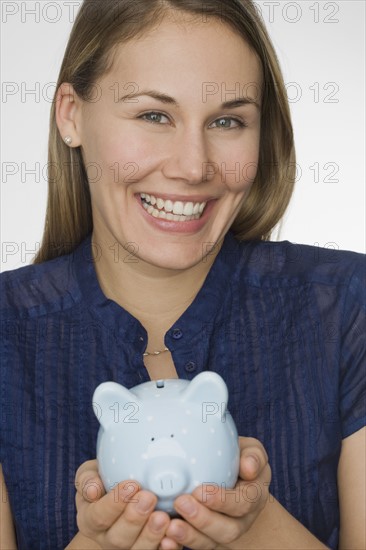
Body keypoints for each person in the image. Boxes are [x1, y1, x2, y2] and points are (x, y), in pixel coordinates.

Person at [0, 0, 365, 549]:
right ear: (71, 114)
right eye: (154, 115)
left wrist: (255, 523)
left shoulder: (347, 307)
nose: (194, 166)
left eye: (227, 121)